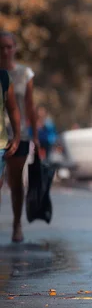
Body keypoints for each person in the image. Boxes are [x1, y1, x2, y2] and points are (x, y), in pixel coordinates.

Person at [0, 31, 39, 243]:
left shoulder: (25, 74)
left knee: (15, 183)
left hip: (19, 135)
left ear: (15, 48)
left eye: (9, 46)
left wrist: (35, 134)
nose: (6, 51)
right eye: (1, 47)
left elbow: (29, 107)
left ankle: (16, 224)